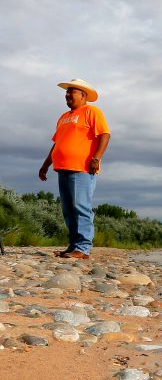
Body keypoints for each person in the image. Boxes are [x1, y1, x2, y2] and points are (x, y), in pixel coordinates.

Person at [38, 79, 110, 260]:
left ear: (83, 95)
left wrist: (96, 158)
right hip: (62, 167)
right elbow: (57, 144)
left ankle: (83, 247)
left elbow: (104, 135)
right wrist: (45, 164)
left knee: (81, 207)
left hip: (82, 168)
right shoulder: (63, 117)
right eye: (67, 93)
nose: (68, 95)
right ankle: (73, 246)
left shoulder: (91, 111)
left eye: (72, 92)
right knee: (68, 209)